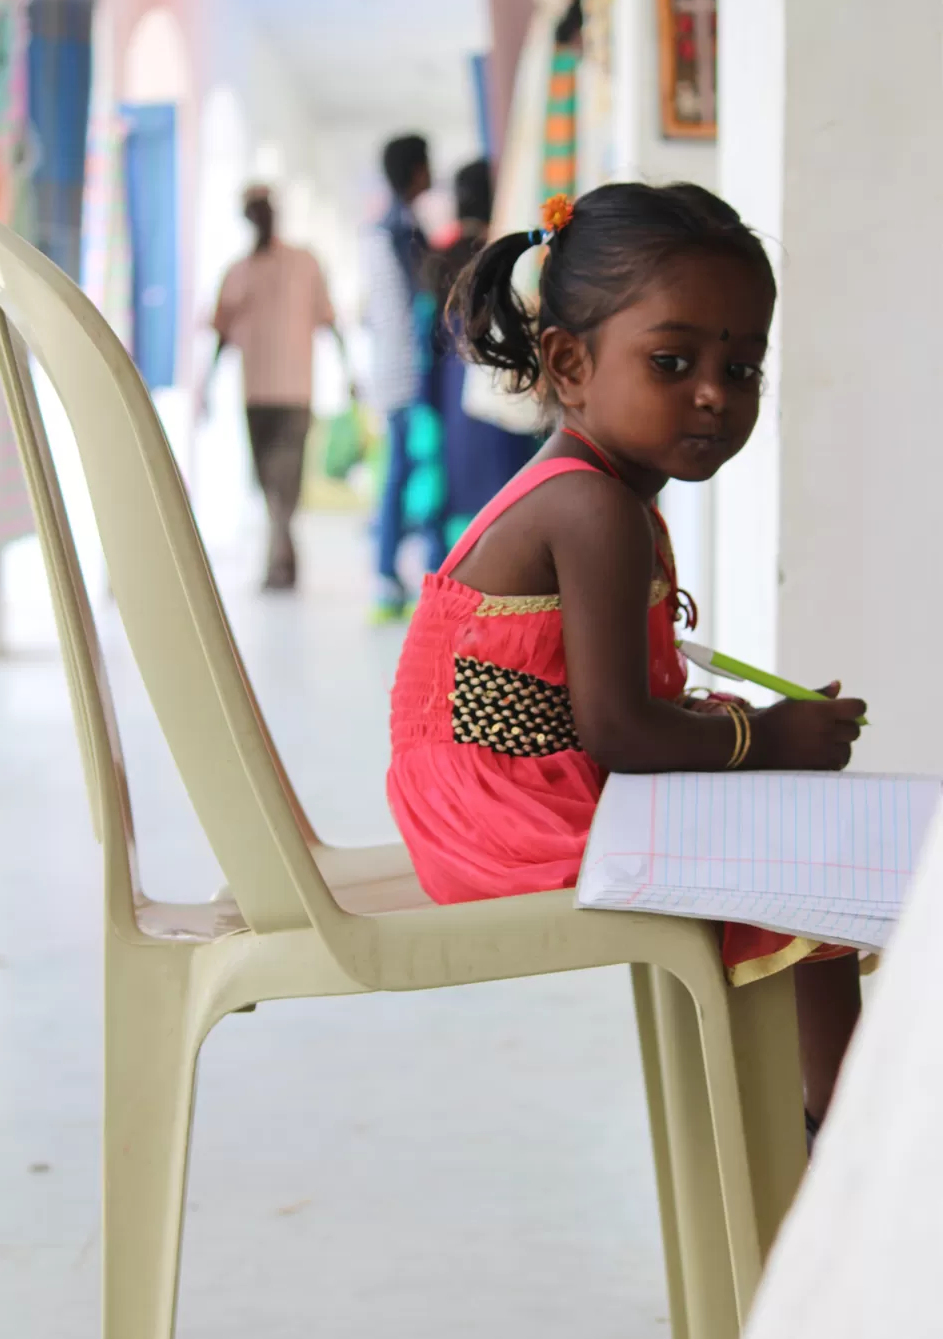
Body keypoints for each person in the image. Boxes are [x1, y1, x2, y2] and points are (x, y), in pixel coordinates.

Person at [388, 182, 868, 1134]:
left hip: (516, 789)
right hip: (506, 811)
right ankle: (839, 1143)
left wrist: (754, 738)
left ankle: (816, 1128)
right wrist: (766, 738)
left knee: (801, 828)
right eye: (672, 361)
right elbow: (617, 731)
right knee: (810, 857)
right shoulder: (593, 508)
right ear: (570, 364)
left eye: (742, 367)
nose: (714, 393)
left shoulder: (602, 494)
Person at [206, 185, 337, 591]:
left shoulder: (305, 263)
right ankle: (284, 558)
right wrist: (207, 385)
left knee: (286, 481)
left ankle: (277, 563)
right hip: (257, 392)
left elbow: (330, 320)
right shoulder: (238, 272)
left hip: (296, 390)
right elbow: (222, 332)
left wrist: (349, 375)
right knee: (268, 482)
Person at [416, 158, 540, 550]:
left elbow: (428, 337)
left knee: (462, 509)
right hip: (505, 395)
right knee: (507, 503)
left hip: (456, 397)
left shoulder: (444, 255)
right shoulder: (512, 253)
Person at [363, 134, 443, 620]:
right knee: (406, 475)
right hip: (407, 374)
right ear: (416, 171)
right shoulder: (401, 231)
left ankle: (389, 574)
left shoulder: (389, 226)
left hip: (393, 371)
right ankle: (389, 576)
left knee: (400, 474)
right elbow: (418, 303)